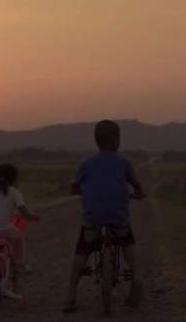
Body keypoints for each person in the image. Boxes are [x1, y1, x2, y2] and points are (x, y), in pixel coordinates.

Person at [62, 120, 146, 313]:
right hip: (118, 215)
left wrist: (79, 192)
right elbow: (137, 186)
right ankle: (136, 276)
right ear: (116, 140)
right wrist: (139, 195)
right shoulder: (124, 162)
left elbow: (74, 186)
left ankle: (71, 295)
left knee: (82, 250)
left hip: (93, 217)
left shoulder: (87, 163)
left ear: (96, 141)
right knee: (127, 240)